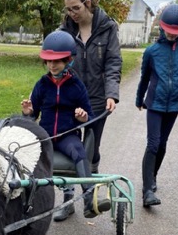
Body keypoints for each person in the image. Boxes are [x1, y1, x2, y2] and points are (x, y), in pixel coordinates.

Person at [21, 30, 111, 221]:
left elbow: (91, 117)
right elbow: (32, 115)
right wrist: (28, 112)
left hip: (67, 135)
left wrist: (83, 117)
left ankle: (87, 201)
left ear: (68, 60)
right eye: (49, 61)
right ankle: (25, 205)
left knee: (78, 152)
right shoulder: (42, 85)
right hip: (45, 136)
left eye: (57, 61)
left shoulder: (77, 86)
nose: (52, 65)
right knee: (25, 155)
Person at [56, 0, 122, 220]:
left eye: (75, 8)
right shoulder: (64, 31)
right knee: (68, 148)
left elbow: (113, 62)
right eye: (68, 9)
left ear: (87, 3)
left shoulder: (107, 28)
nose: (71, 14)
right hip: (69, 99)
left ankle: (90, 199)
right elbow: (56, 59)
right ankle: (67, 200)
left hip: (95, 99)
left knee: (91, 150)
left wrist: (111, 93)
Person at [135, 3, 178, 207]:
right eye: (169, 31)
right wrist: (139, 99)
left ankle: (152, 178)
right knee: (153, 143)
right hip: (154, 104)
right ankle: (147, 191)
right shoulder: (152, 51)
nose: (172, 35)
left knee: (162, 145)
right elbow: (144, 77)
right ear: (162, 27)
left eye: (176, 32)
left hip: (173, 105)